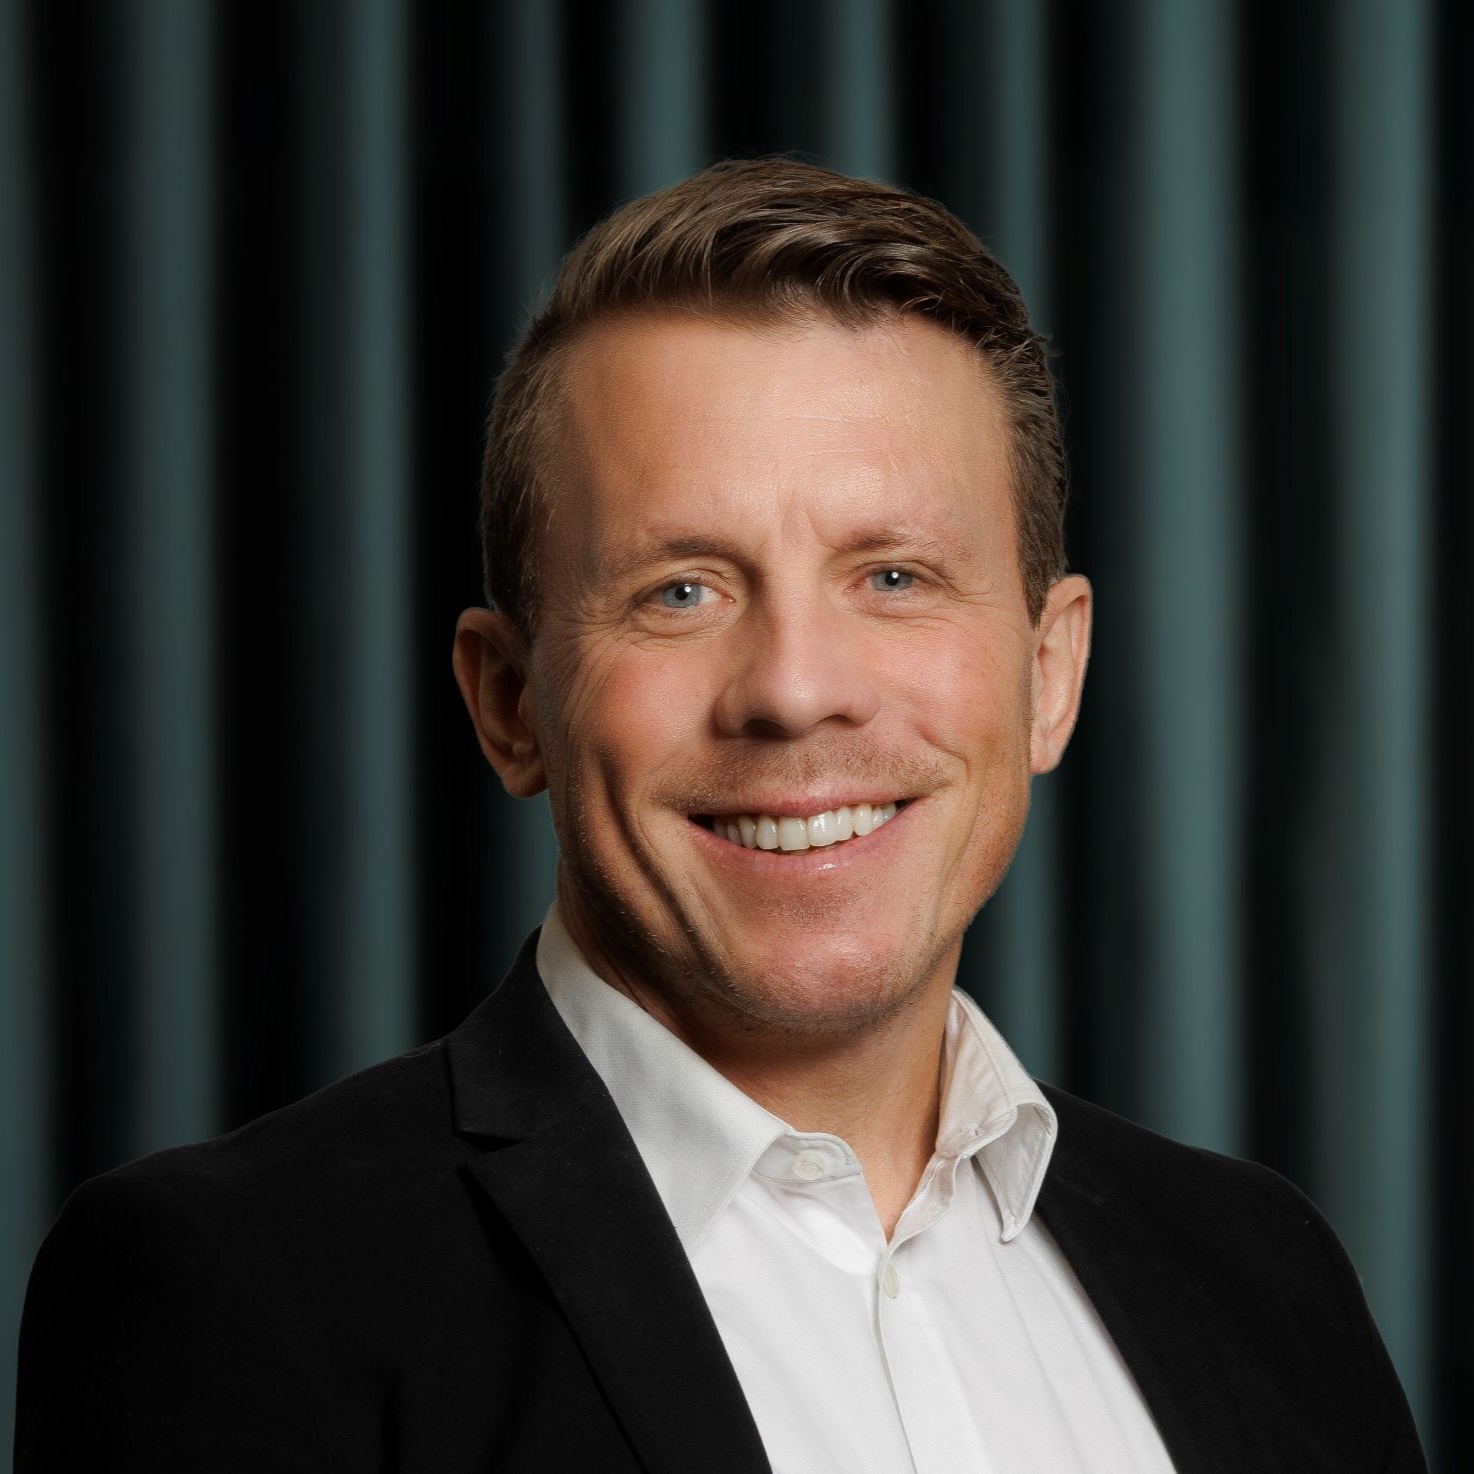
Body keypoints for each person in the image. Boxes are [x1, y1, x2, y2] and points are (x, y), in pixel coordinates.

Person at [16, 159, 1424, 1473]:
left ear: (1048, 673)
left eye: (892, 577)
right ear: (509, 703)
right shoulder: (239, 1289)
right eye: (680, 590)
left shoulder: (1267, 1278)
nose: (795, 691)